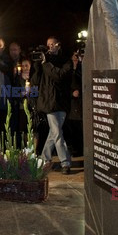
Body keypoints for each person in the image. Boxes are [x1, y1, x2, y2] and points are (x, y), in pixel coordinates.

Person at [31, 36, 72, 174]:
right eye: (48, 45)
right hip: (48, 103)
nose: (50, 47)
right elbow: (35, 81)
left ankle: (44, 158)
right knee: (56, 132)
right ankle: (65, 162)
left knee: (53, 133)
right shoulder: (44, 63)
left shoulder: (65, 61)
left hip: (61, 102)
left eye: (52, 44)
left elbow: (59, 76)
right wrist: (38, 64)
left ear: (58, 45)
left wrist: (46, 63)